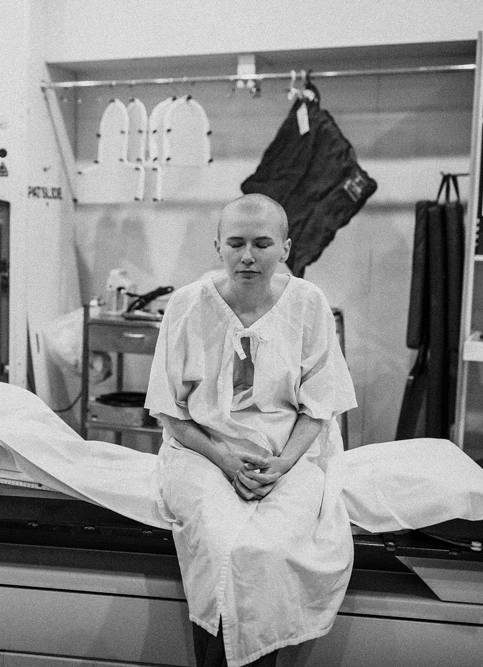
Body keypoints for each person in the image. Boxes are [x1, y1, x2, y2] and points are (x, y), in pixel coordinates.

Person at [145, 194, 357, 667]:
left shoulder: (308, 304)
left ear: (285, 248)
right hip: (202, 452)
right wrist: (223, 458)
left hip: (289, 453)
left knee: (267, 549)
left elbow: (319, 409)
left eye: (262, 244)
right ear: (216, 245)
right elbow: (169, 413)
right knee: (222, 546)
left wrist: (282, 464)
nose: (247, 256)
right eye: (236, 243)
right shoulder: (186, 307)